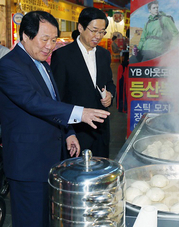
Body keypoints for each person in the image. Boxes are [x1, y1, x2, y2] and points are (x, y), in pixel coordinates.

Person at [0, 11, 110, 227]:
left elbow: (53, 99)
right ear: (25, 36)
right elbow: (32, 101)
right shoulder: (9, 66)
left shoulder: (42, 63)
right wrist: (80, 112)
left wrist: (68, 133)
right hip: (28, 163)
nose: (50, 46)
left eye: (53, 40)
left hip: (49, 158)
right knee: (30, 220)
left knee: (46, 218)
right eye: (44, 39)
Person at [51, 7, 116, 158]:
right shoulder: (62, 56)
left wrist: (110, 95)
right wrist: (67, 131)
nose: (98, 36)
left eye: (102, 31)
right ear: (80, 27)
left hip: (101, 130)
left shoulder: (104, 55)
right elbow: (58, 98)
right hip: (76, 133)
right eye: (94, 30)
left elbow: (109, 83)